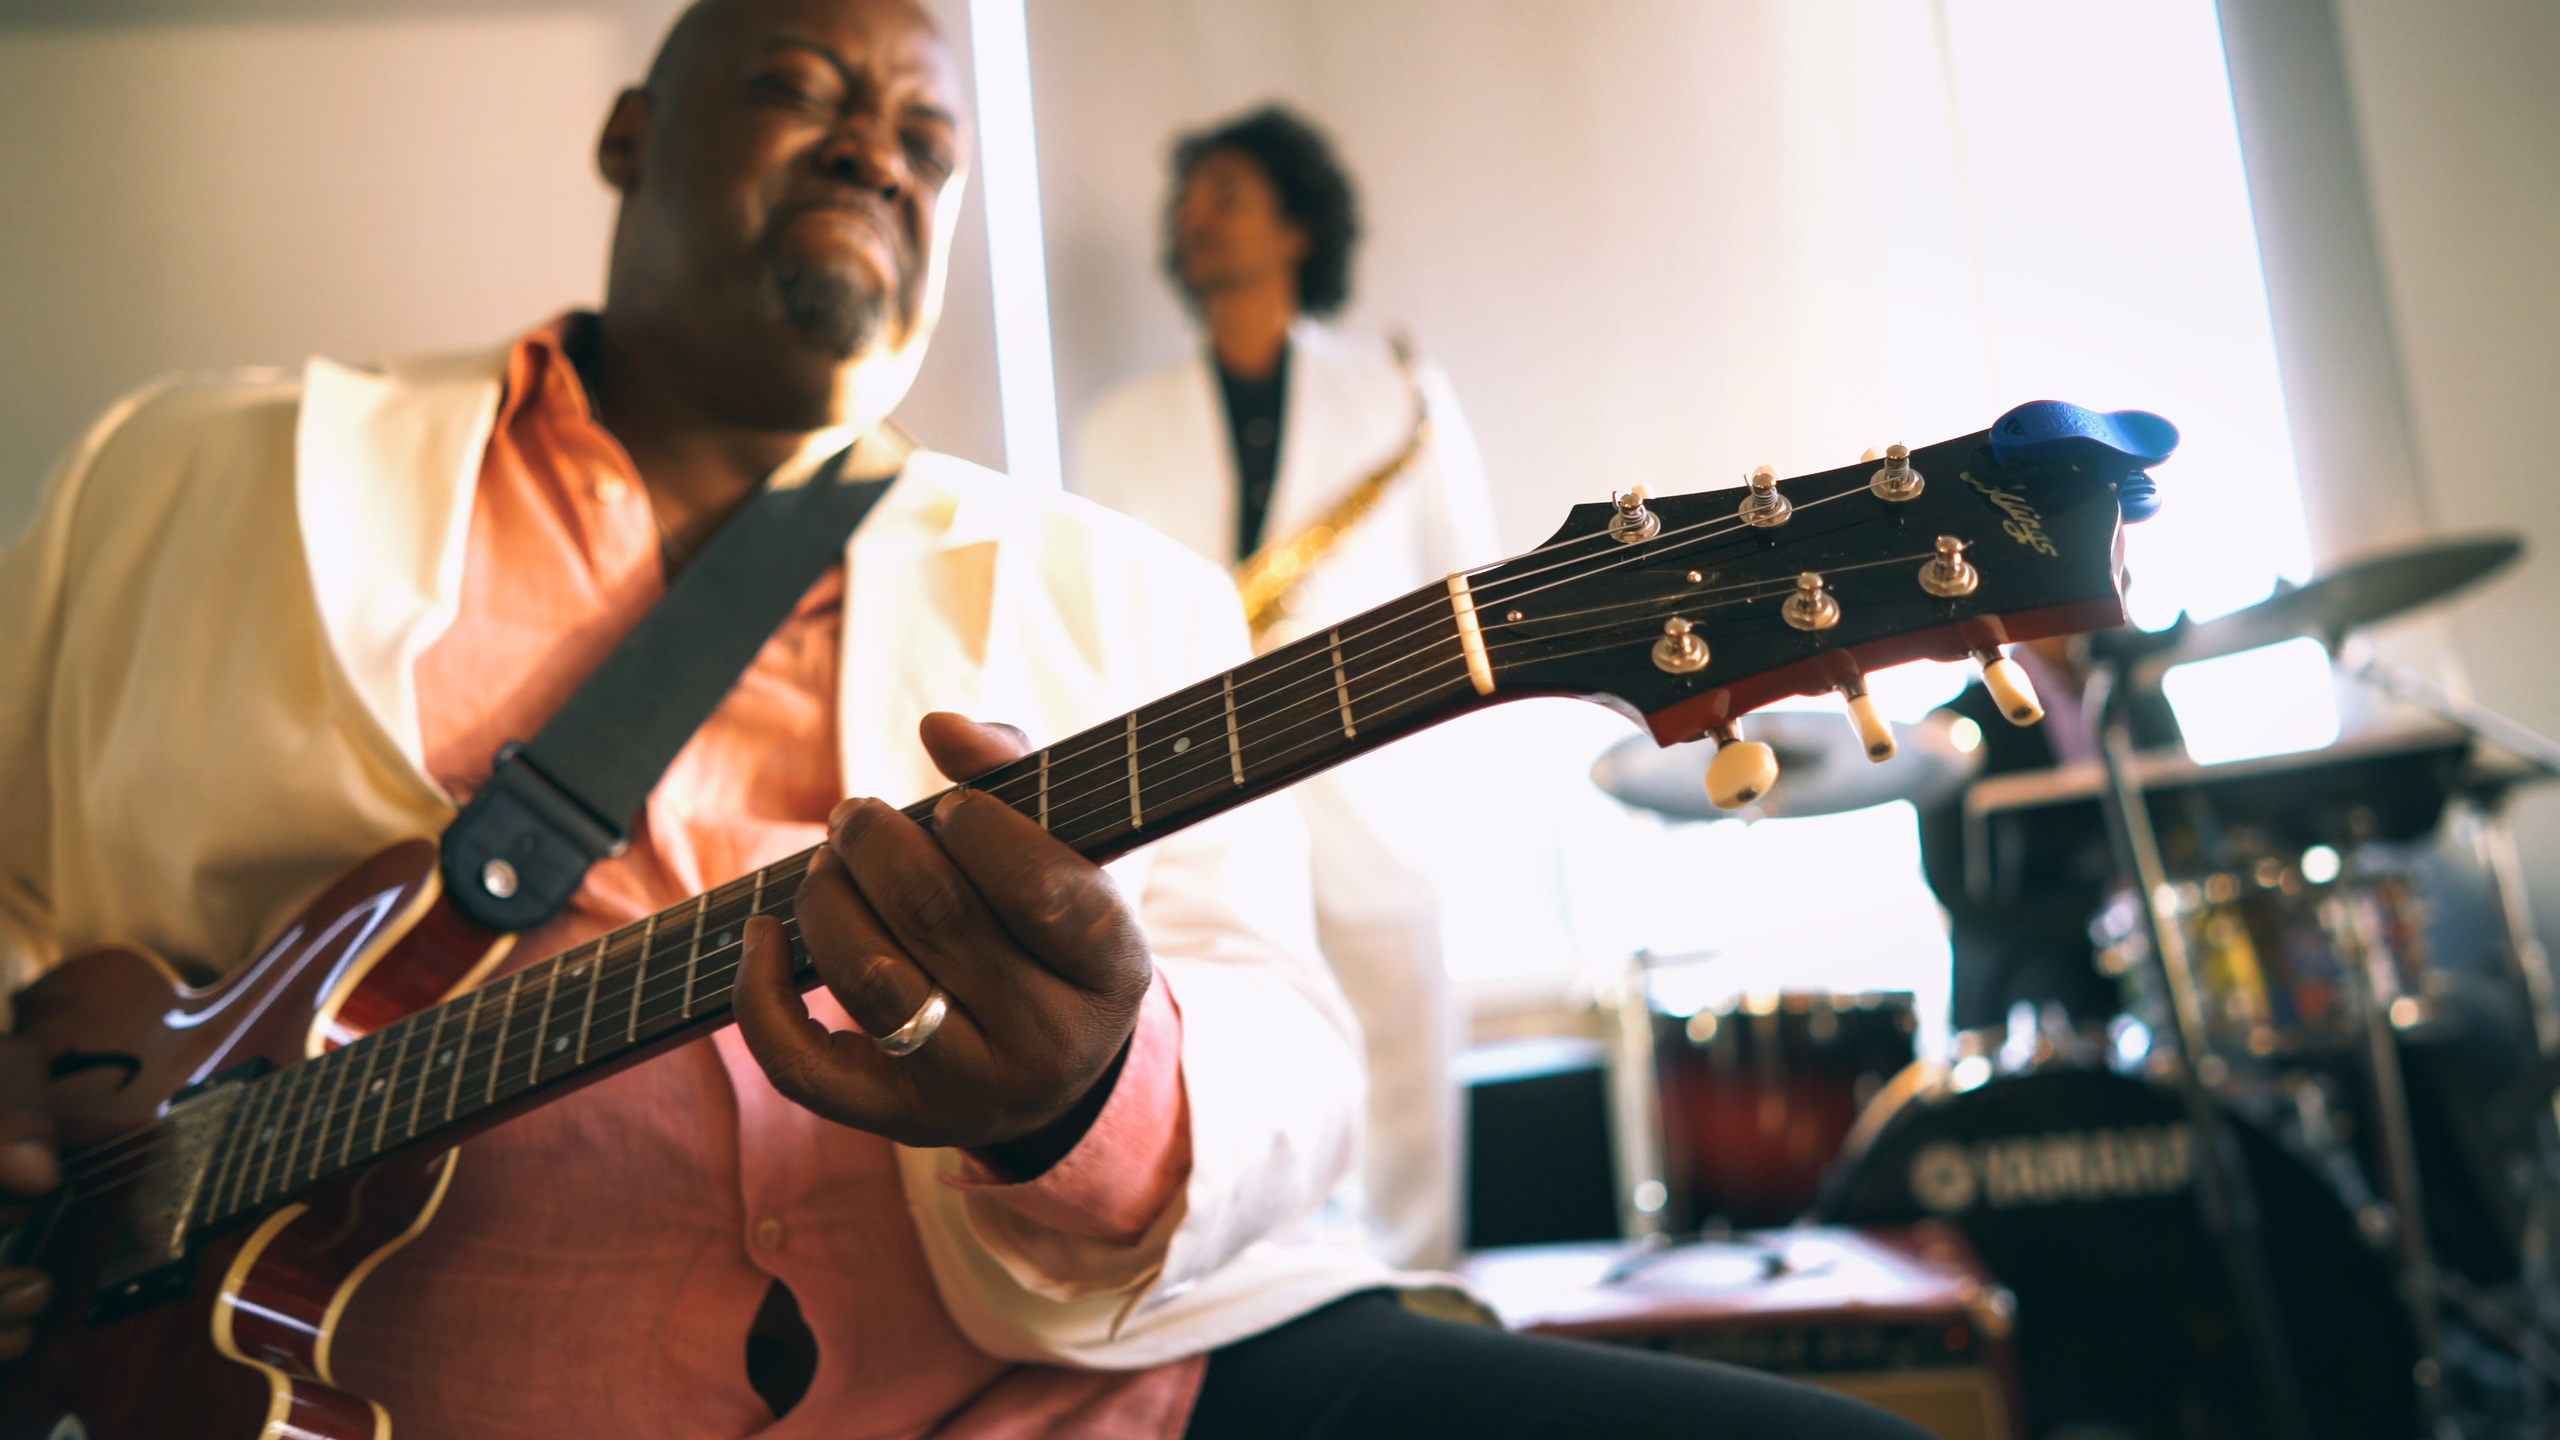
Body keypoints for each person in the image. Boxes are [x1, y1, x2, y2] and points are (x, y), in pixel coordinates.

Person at [0, 3, 1927, 1435]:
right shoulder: (188, 477)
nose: (882, 148)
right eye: (804, 86)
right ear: (625, 132)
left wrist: (1097, 1096)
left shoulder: (1123, 589)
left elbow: (1292, 1051)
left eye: (930, 138)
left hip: (1056, 1402)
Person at [1071, 106, 1495, 1269]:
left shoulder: (1402, 395)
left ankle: (1418, 1322)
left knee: (1408, 1120)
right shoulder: (1117, 428)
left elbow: (1474, 594)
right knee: (1229, 1093)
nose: (1194, 220)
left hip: (1380, 806)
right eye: (1187, 200)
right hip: (1199, 806)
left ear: (1298, 227)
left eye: (1227, 196)